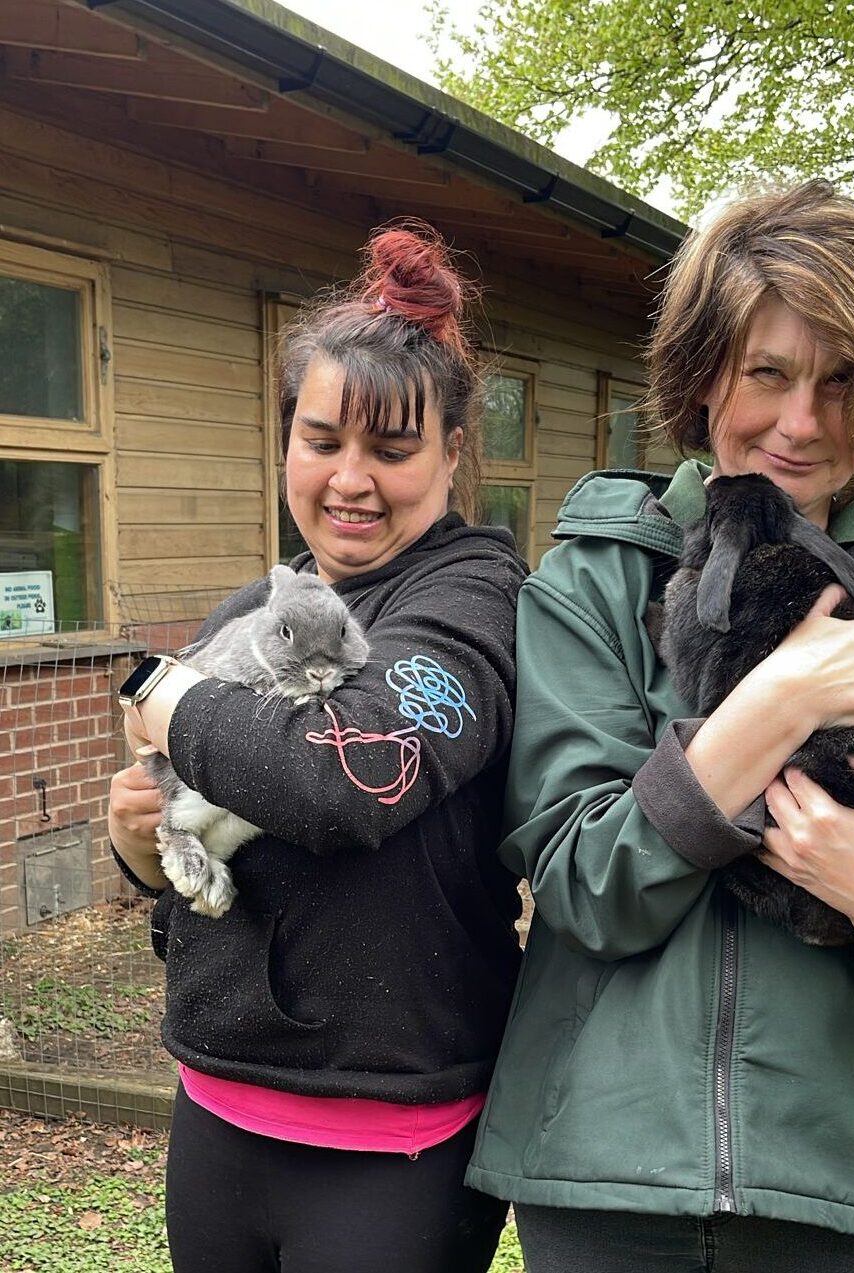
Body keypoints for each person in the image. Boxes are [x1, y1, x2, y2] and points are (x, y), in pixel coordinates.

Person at [465, 181, 854, 1272]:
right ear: (701, 375)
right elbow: (583, 877)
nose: (802, 423)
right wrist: (775, 706)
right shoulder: (593, 582)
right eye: (769, 373)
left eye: (842, 382)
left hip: (841, 1194)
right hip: (600, 1175)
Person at [108, 226, 526, 1273]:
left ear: (450, 452)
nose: (350, 479)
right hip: (218, 1094)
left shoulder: (473, 600)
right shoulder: (266, 600)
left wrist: (162, 696)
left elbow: (347, 778)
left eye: (390, 450)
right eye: (322, 437)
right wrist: (144, 855)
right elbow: (198, 861)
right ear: (287, 434)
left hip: (393, 1131)